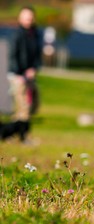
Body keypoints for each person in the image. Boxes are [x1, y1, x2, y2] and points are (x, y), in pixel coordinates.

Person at [1, 6, 42, 142]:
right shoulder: (17, 34)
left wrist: (34, 69)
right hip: (18, 76)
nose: (28, 19)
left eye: (30, 17)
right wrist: (18, 75)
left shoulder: (35, 34)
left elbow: (37, 55)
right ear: (20, 18)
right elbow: (12, 56)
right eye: (25, 17)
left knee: (30, 106)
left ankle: (7, 133)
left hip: (30, 75)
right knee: (24, 107)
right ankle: (24, 137)